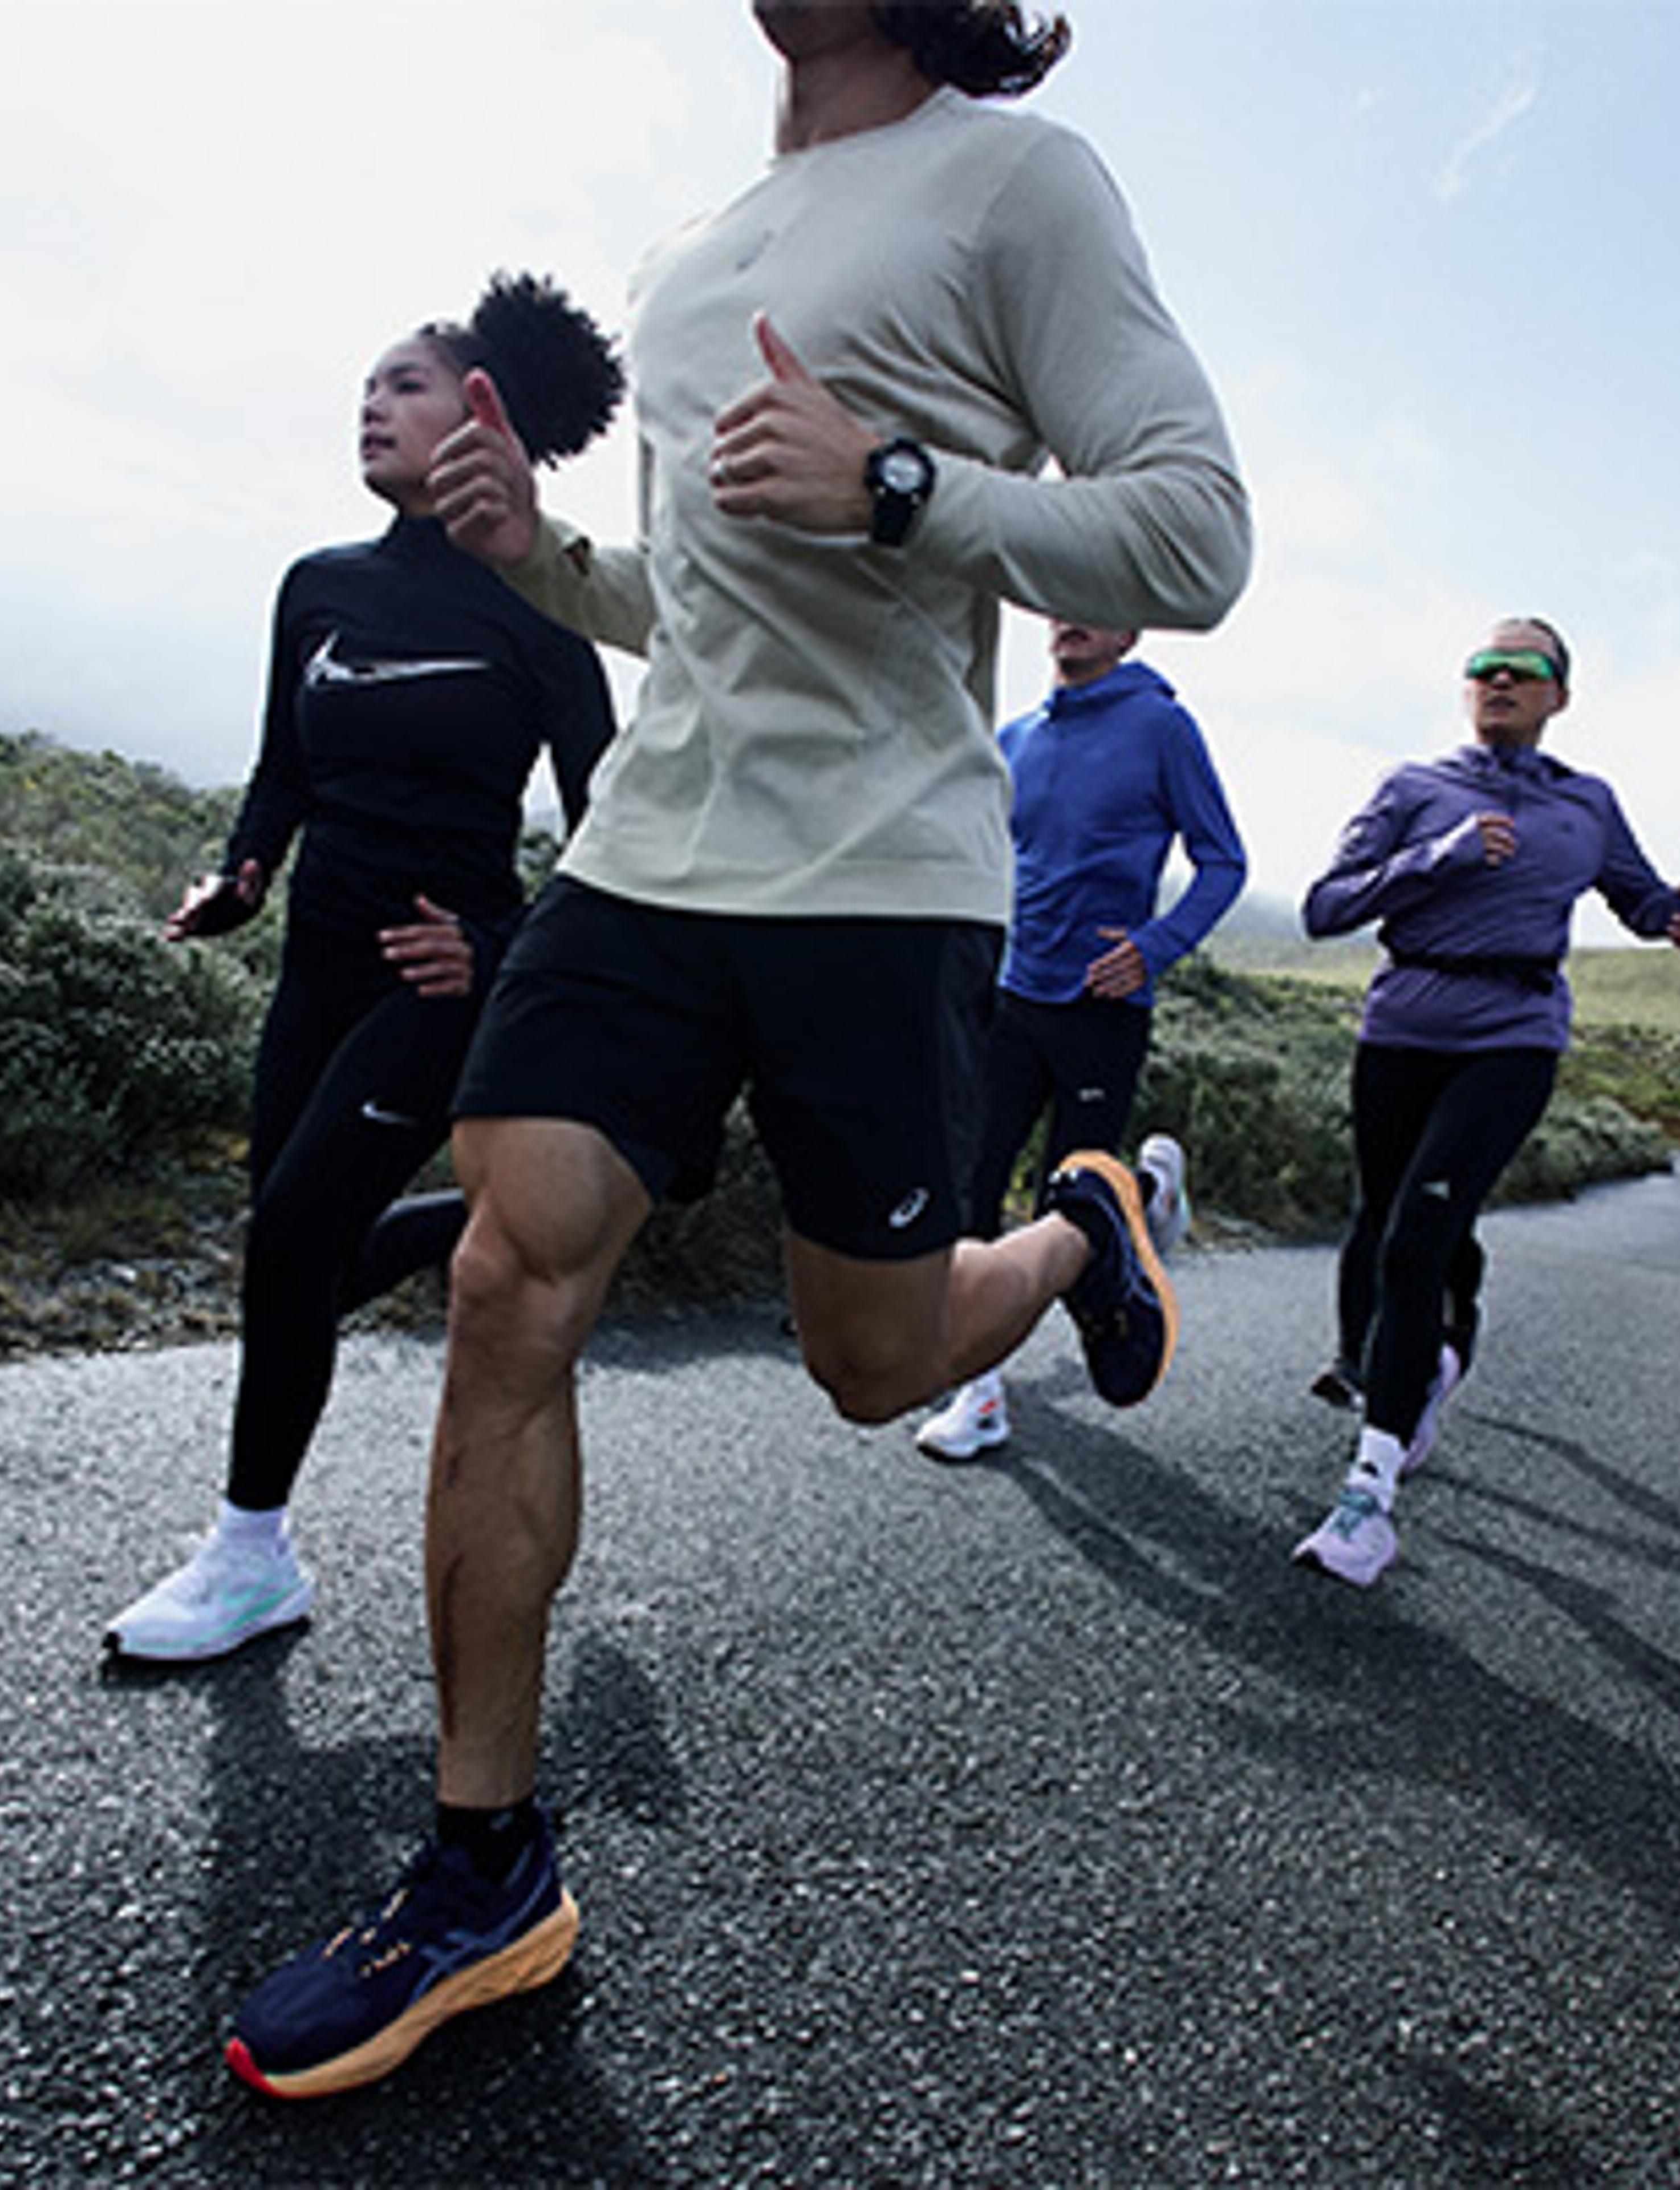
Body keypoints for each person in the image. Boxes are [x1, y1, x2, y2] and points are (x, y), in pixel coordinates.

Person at [222, 0, 1252, 2100]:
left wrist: (901, 485)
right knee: (514, 1276)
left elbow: (1195, 532)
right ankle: (484, 1868)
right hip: (653, 848)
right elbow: (707, 602)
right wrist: (548, 560)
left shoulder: (1012, 181)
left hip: (882, 867)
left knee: (874, 1364)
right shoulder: (698, 247)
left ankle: (1082, 1220)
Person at [103, 276, 622, 1662]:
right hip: (316, 972)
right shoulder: (317, 588)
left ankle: (249, 1555)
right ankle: (502, 1228)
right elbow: (283, 767)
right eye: (364, 393)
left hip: (434, 984)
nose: (373, 407)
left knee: (289, 1245)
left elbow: (619, 828)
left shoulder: (547, 609)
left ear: (484, 413)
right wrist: (243, 868)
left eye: (404, 384)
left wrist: (499, 950)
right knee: (295, 1257)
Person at [1292, 616, 1680, 1588]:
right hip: (1401, 1029)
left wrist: (1678, 915)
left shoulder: (1588, 804)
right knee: (1393, 1222)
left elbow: (1640, 900)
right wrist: (1438, 856)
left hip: (1514, 1035)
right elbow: (1326, 907)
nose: (1497, 681)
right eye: (1482, 669)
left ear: (1557, 696)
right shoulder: (1414, 789)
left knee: (1416, 1241)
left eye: (1520, 671)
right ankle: (1431, 1358)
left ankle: (1369, 1500)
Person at [915, 615, 1247, 1461]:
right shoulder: (1016, 737)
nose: (1072, 614)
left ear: (1130, 631)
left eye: (1096, 599)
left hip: (1103, 1002)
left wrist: (1155, 948)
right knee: (972, 1187)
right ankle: (979, 1390)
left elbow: (1224, 862)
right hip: (1008, 999)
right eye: (1060, 596)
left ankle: (1146, 1197)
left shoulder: (1163, 728)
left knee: (1071, 1205)